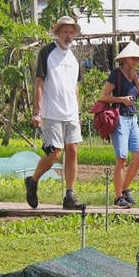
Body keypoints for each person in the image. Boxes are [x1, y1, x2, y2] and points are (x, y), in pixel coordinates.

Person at [25, 16, 84, 210]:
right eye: (65, 32)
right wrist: (37, 112)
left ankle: (70, 195)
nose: (69, 36)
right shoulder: (47, 53)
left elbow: (75, 88)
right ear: (57, 33)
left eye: (72, 32)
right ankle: (33, 181)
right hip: (51, 113)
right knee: (54, 155)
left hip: (71, 113)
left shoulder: (74, 58)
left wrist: (78, 113)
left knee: (73, 151)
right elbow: (39, 83)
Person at [99, 42, 139, 208]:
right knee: (122, 159)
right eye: (133, 58)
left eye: (138, 59)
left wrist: (136, 80)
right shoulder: (116, 74)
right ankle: (118, 197)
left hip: (132, 119)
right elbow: (104, 96)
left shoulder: (136, 75)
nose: (136, 61)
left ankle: (124, 189)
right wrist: (121, 100)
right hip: (119, 118)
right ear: (125, 58)